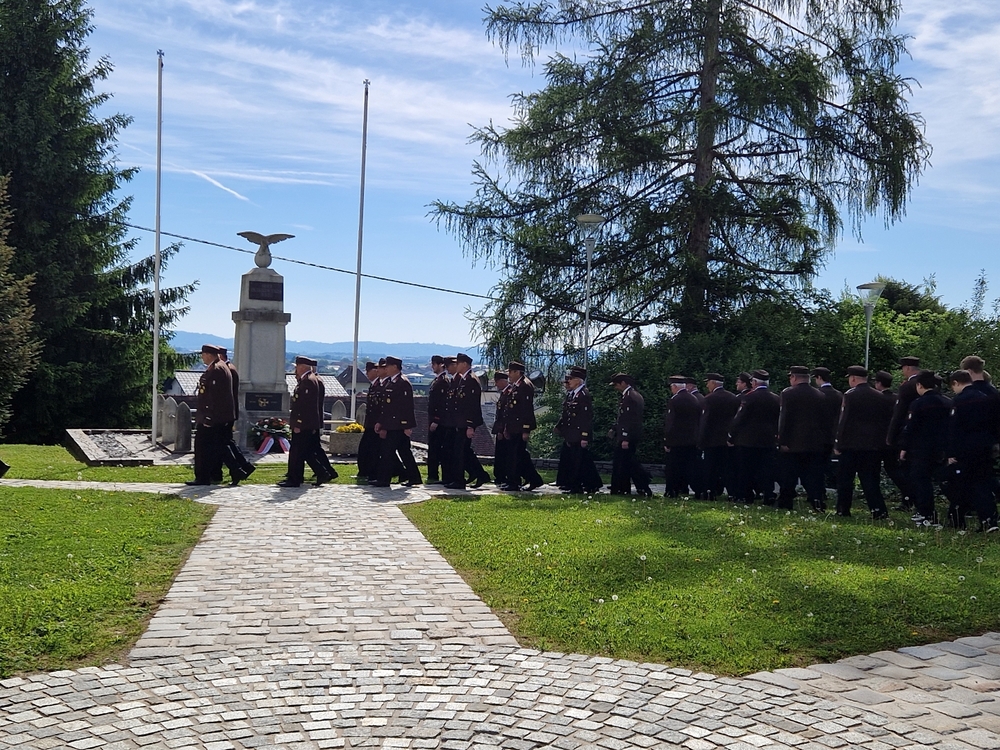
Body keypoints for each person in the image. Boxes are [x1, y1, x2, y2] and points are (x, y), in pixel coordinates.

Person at [835, 366, 892, 519]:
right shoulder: (880, 396)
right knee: (871, 480)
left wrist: (838, 443)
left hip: (850, 444)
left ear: (853, 378)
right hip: (872, 445)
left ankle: (843, 509)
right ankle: (878, 510)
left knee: (845, 480)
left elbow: (843, 421)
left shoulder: (850, 395)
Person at [946, 370, 999, 531]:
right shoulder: (985, 398)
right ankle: (989, 519)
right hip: (985, 447)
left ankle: (956, 519)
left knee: (961, 483)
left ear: (956, 383)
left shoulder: (959, 401)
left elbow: (954, 429)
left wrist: (951, 452)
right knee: (982, 482)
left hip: (965, 448)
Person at [899, 369, 951, 524]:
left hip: (921, 448)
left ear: (919, 385)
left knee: (921, 480)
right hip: (942, 447)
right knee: (944, 479)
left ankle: (926, 512)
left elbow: (911, 427)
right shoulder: (947, 402)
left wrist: (904, 447)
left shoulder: (918, 404)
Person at [279, 356, 336, 488]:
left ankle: (297, 478)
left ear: (302, 367)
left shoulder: (308, 381)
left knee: (298, 452)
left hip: (304, 424)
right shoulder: (307, 380)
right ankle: (318, 473)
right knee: (304, 452)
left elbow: (306, 406)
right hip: (306, 423)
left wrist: (299, 423)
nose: (295, 369)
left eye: (297, 366)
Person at [777, 366, 828, 511]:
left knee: (789, 475)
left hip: (793, 442)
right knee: (812, 475)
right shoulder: (820, 395)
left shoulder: (788, 393)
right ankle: (817, 500)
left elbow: (785, 419)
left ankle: (785, 502)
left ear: (794, 377)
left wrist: (782, 440)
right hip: (814, 442)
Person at [728, 370, 780, 505]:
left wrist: (731, 436)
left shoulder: (749, 398)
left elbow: (740, 418)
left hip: (748, 440)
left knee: (746, 470)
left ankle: (745, 496)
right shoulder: (776, 398)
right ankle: (768, 495)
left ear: (755, 382)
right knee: (766, 469)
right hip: (768, 439)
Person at [188, 344, 237, 486]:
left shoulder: (217, 370)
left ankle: (203, 477)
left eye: (203, 355)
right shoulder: (218, 367)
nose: (202, 357)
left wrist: (208, 417)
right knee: (217, 447)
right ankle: (225, 473)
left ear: (209, 355)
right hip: (215, 417)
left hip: (212, 418)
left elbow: (214, 397)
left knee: (203, 448)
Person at [371, 356, 422, 487]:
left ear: (395, 367)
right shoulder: (390, 382)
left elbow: (407, 406)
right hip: (391, 424)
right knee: (403, 452)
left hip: (398, 425)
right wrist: (381, 422)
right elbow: (386, 407)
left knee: (388, 452)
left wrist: (407, 425)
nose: (386, 369)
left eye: (387, 366)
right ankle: (414, 477)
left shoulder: (403, 383)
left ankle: (384, 479)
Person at [444, 353, 490, 490]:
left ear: (464, 364)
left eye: (458, 363)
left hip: (466, 423)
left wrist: (470, 425)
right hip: (460, 422)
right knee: (464, 451)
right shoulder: (463, 379)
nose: (456, 366)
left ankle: (460, 481)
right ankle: (480, 474)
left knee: (460, 452)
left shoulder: (471, 380)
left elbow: (472, 405)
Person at [555, 367, 602, 494]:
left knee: (578, 461)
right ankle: (590, 484)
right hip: (572, 434)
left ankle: (577, 486)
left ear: (578, 380)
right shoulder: (574, 395)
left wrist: (584, 436)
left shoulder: (583, 395)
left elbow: (586, 418)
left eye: (571, 378)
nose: (569, 381)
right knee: (580, 461)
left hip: (579, 434)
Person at [213, 347, 255, 485]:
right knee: (228, 442)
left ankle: (236, 470)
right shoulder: (229, 368)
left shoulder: (228, 369)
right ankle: (245, 466)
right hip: (227, 412)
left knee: (221, 444)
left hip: (225, 413)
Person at [608, 373, 652, 497]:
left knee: (627, 463)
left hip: (628, 436)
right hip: (627, 435)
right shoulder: (630, 395)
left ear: (623, 383)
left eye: (616, 384)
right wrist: (615, 428)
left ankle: (642, 482)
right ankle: (623, 486)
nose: (616, 387)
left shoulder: (630, 397)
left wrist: (625, 437)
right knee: (625, 463)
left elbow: (630, 420)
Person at [887, 356, 922, 509]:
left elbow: (899, 413)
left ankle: (909, 500)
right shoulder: (930, 383)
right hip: (925, 433)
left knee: (905, 469)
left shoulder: (907, 386)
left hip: (907, 432)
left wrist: (891, 436)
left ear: (907, 368)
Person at [503, 362, 544, 491]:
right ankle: (532, 480)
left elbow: (526, 410)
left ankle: (515, 482)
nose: (509, 375)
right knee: (518, 456)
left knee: (517, 456)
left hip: (520, 428)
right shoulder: (516, 386)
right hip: (513, 427)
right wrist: (507, 427)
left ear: (517, 372)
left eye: (511, 372)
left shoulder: (525, 386)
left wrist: (526, 429)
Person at [698, 373, 739, 500]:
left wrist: (701, 440)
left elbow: (705, 421)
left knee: (710, 468)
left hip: (711, 439)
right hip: (727, 439)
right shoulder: (733, 398)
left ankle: (710, 491)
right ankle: (732, 493)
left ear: (713, 383)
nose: (707, 385)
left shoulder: (709, 399)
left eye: (708, 382)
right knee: (727, 468)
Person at [663, 375, 702, 497]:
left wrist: (667, 440)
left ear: (675, 386)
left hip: (676, 440)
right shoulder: (694, 399)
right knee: (688, 467)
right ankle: (686, 489)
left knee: (673, 467)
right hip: (691, 439)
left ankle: (671, 490)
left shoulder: (675, 400)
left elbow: (671, 422)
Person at [425, 355, 450, 484]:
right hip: (433, 419)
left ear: (441, 365)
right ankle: (432, 475)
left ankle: (438, 475)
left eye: (434, 364)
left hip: (439, 422)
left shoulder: (443, 381)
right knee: (433, 449)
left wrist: (436, 419)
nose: (432, 367)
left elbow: (442, 403)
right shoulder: (437, 380)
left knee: (438, 449)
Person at [356, 361, 381, 484]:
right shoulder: (373, 385)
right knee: (365, 448)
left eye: (369, 371)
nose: (367, 374)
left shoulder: (379, 385)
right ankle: (364, 471)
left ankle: (371, 472)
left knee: (373, 449)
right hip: (370, 423)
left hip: (376, 424)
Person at [491, 370, 512, 487]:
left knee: (504, 454)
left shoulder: (509, 393)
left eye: (497, 381)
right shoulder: (504, 393)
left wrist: (501, 430)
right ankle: (499, 476)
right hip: (500, 427)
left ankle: (503, 477)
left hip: (504, 429)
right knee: (499, 454)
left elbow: (505, 415)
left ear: (503, 381)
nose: (496, 384)